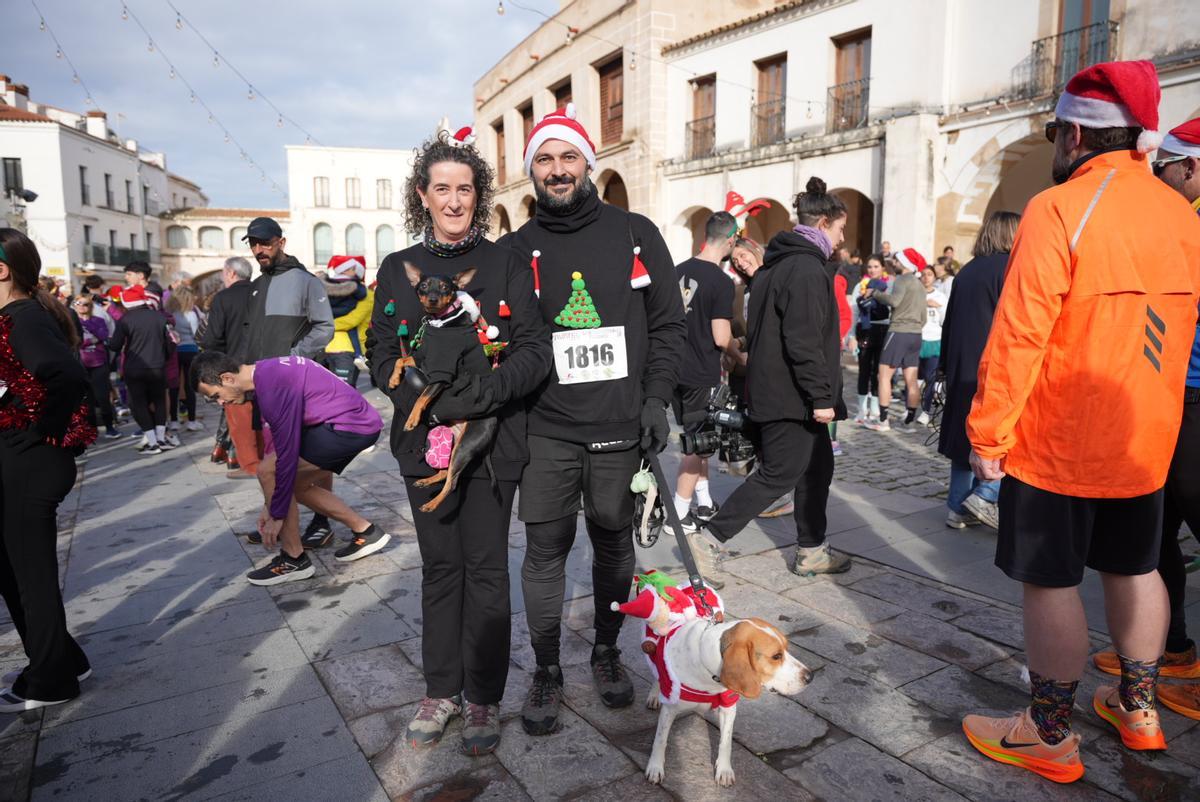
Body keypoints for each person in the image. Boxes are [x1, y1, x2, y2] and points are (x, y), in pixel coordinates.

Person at [961, 61, 1200, 782]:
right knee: (1137, 566)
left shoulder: (1059, 208)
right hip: (1144, 434)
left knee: (1053, 581)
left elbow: (1021, 333)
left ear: (1072, 133)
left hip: (1062, 437)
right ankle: (1140, 709)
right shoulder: (1179, 213)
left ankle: (1048, 731)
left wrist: (987, 433)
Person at [503, 104, 685, 736]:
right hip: (547, 430)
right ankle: (547, 670)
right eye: (544, 160)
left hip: (618, 427)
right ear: (533, 172)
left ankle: (607, 651)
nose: (557, 170)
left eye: (568, 157)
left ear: (588, 163)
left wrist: (657, 398)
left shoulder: (636, 233)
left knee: (612, 541)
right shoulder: (515, 248)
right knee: (545, 552)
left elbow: (667, 325)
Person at [369, 126, 551, 754]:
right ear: (422, 194)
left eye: (465, 189)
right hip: (424, 445)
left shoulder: (507, 261)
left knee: (486, 569)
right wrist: (423, 404)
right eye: (441, 189)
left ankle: (482, 701)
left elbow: (532, 349)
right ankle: (440, 690)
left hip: (492, 443)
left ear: (480, 195)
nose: (453, 200)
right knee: (441, 569)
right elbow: (380, 350)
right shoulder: (396, 270)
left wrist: (482, 400)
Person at [1092, 118, 1200, 719]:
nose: (1158, 182)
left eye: (1165, 172)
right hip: (1169, 400)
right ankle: (1173, 649)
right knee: (1157, 535)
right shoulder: (1179, 219)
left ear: (1188, 168)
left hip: (1193, 397)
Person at [697, 176, 851, 581]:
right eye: (839, 229)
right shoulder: (802, 269)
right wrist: (821, 397)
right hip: (791, 395)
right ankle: (709, 538)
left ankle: (812, 549)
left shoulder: (781, 266)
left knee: (818, 467)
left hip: (783, 390)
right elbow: (803, 340)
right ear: (822, 224)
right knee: (779, 473)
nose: (840, 238)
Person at [0, 228, 94, 712]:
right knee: (13, 571)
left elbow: (67, 376)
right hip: (22, 462)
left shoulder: (22, 319)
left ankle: (52, 679)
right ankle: (63, 658)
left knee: (28, 576)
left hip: (29, 464)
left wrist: (39, 428)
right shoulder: (17, 316)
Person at [192, 350, 385, 578]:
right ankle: (366, 531)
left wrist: (277, 514)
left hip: (350, 427)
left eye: (215, 396)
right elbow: (274, 440)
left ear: (226, 378)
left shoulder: (273, 385)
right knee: (291, 484)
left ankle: (293, 558)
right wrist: (270, 504)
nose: (221, 402)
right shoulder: (265, 371)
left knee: (268, 471)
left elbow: (286, 454)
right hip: (350, 424)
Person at [241, 216, 334, 538]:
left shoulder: (305, 280)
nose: (258, 249)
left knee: (310, 455)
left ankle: (322, 523)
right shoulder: (256, 286)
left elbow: (325, 328)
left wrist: (292, 358)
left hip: (299, 385)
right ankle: (279, 520)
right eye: (253, 243)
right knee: (273, 456)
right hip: (264, 387)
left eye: (265, 242)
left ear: (281, 242)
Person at [936, 211, 1020, 531]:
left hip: (961, 364)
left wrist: (944, 365)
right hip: (994, 366)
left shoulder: (966, 272)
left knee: (964, 438)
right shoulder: (1011, 268)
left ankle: (957, 507)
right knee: (1002, 433)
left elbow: (949, 322)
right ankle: (986, 493)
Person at [674, 211, 736, 541]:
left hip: (675, 369)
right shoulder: (721, 281)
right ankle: (678, 514)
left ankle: (703, 501)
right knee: (697, 445)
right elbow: (721, 337)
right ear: (729, 241)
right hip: (701, 370)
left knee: (699, 439)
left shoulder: (676, 271)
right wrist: (739, 355)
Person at [201, 257, 256, 472]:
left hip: (231, 361)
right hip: (260, 360)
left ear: (231, 273)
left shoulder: (223, 298)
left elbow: (212, 338)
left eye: (224, 273)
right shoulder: (260, 293)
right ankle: (224, 447)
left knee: (234, 406)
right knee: (247, 408)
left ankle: (233, 452)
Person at [863, 248, 926, 433]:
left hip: (898, 331)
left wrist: (875, 294)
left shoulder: (901, 279)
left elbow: (895, 301)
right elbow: (924, 318)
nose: (894, 264)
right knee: (911, 380)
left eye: (897, 261)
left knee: (883, 376)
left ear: (904, 263)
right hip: (915, 334)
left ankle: (883, 421)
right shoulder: (919, 284)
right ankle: (909, 423)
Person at [108, 284, 173, 455]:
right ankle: (160, 438)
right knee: (159, 401)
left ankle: (152, 442)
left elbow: (115, 345)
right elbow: (170, 344)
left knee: (139, 403)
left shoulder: (125, 320)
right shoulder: (159, 317)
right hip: (158, 366)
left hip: (134, 368)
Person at [320, 256, 372, 387]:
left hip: (345, 349)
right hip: (323, 348)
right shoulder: (359, 292)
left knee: (343, 390)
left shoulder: (367, 295)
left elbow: (353, 320)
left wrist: (323, 324)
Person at [72, 293, 120, 439]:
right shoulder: (72, 322)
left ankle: (110, 427)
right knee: (87, 400)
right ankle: (91, 431)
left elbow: (103, 335)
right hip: (81, 364)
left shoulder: (98, 320)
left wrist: (87, 327)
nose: (81, 306)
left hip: (99, 362)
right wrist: (90, 340)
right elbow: (74, 340)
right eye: (78, 303)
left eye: (85, 304)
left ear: (90, 306)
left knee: (102, 397)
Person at [852, 255, 890, 424]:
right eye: (869, 267)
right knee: (864, 370)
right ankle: (862, 409)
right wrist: (851, 335)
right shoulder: (860, 286)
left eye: (876, 266)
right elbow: (854, 312)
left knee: (879, 371)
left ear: (882, 268)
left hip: (882, 329)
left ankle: (875, 407)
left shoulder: (889, 286)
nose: (872, 270)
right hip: (865, 330)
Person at [165, 284, 203, 431]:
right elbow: (196, 335)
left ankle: (174, 420)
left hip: (174, 351)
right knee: (189, 387)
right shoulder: (191, 314)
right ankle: (191, 421)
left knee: (174, 386)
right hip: (190, 350)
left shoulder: (170, 314)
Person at [915, 266, 947, 426]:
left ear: (934, 277)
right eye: (923, 275)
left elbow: (945, 320)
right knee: (914, 378)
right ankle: (911, 407)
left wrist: (938, 308)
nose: (926, 277)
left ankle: (926, 411)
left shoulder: (940, 297)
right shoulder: (915, 294)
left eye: (929, 274)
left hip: (934, 340)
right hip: (916, 339)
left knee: (930, 378)